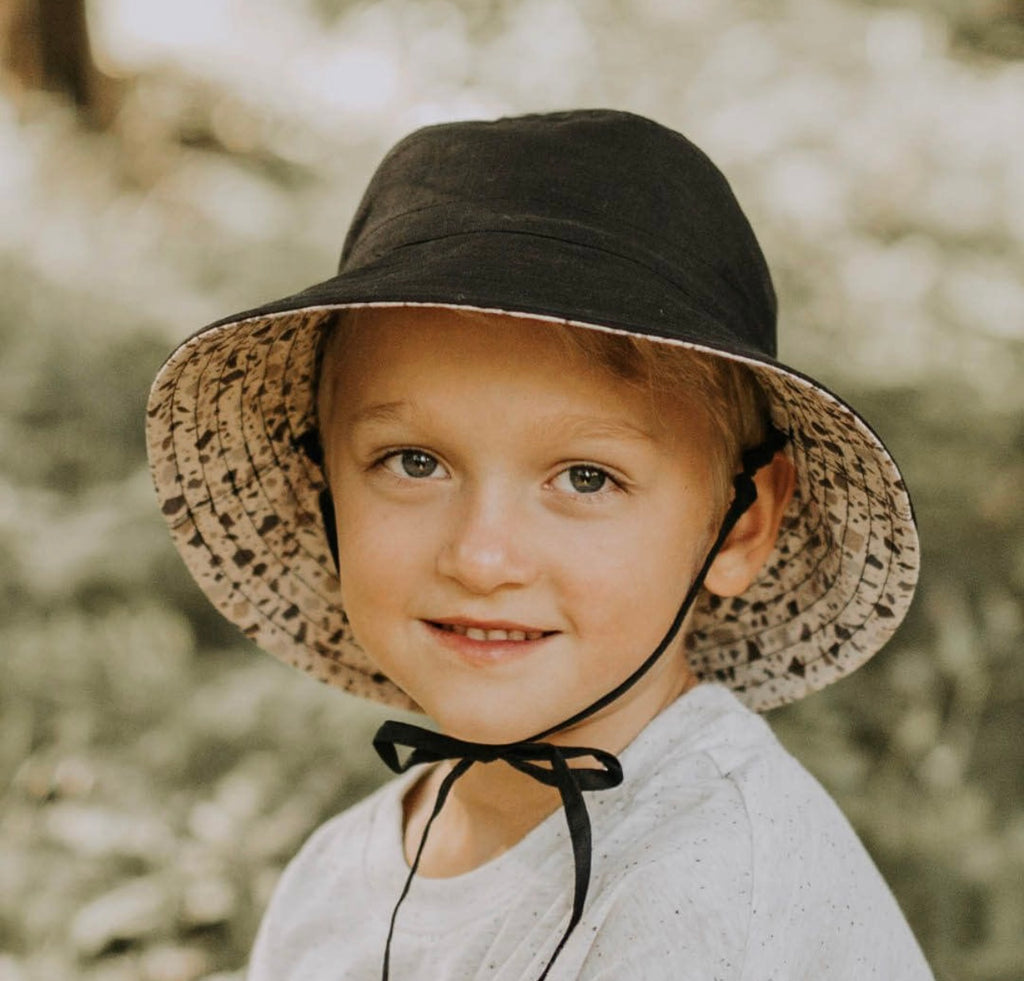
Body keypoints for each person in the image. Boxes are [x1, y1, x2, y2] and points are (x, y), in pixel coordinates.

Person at [146, 109, 934, 979]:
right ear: (323, 483)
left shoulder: (710, 896)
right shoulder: (336, 881)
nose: (482, 559)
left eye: (587, 478)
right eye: (414, 462)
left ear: (740, 523)